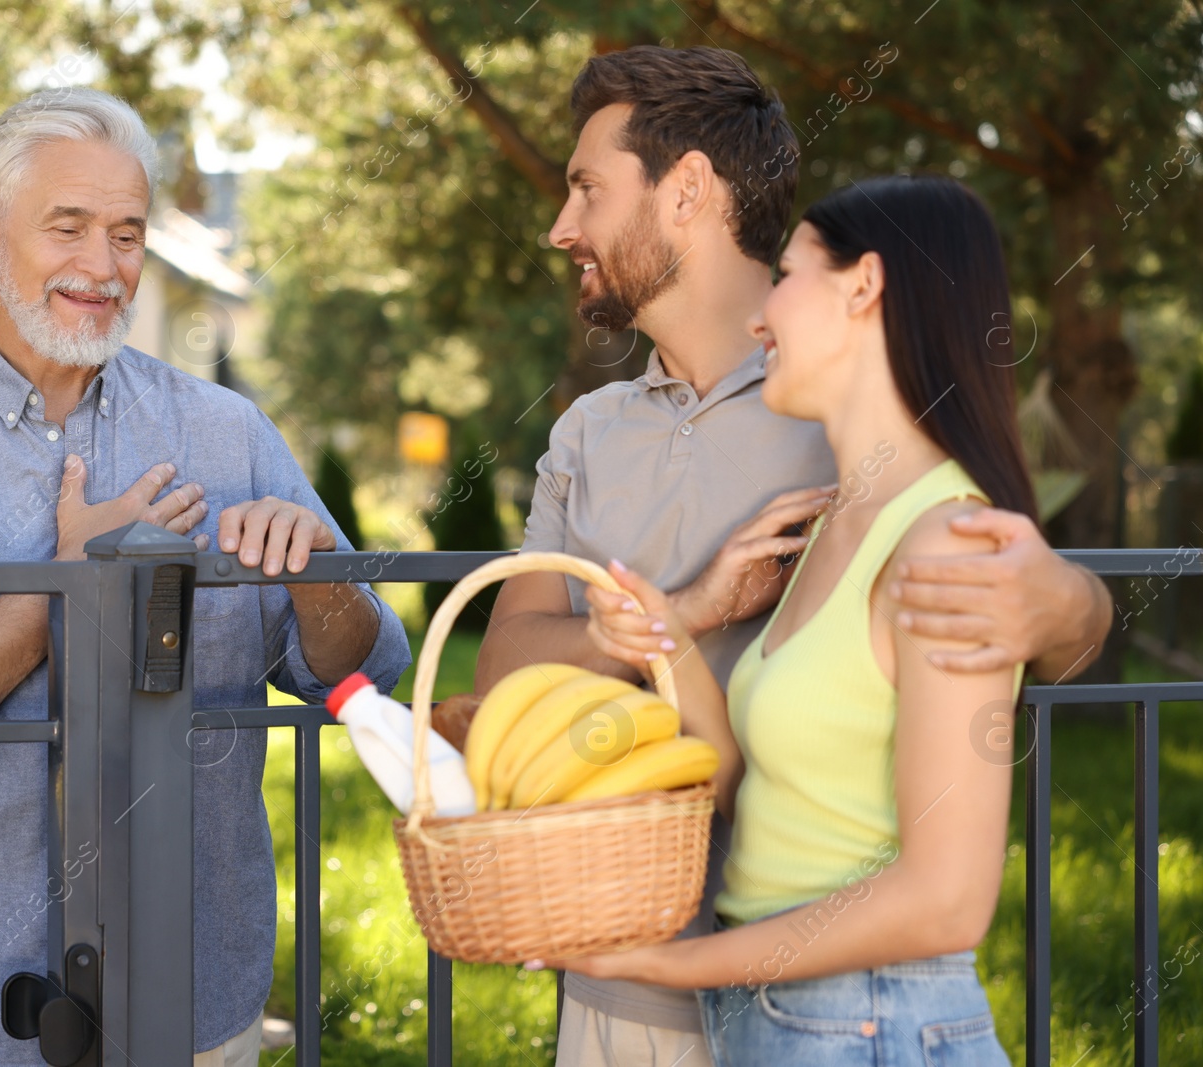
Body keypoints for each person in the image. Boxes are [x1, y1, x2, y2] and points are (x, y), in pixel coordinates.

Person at [467, 47, 1113, 1067]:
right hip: (649, 977)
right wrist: (680, 611)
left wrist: (1067, 599)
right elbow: (512, 678)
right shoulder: (598, 432)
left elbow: (1013, 592)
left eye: (586, 188)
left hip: (827, 994)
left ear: (684, 189)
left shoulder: (875, 436)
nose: (561, 227)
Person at [0, 87, 412, 1067]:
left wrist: (318, 572)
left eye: (127, 233)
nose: (103, 267)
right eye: (69, 227)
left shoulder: (229, 433)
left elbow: (362, 672)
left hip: (195, 999)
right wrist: (66, 587)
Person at [537, 173, 1026, 1067]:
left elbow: (947, 899)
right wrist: (674, 629)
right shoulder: (836, 518)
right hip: (789, 1022)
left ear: (864, 286)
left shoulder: (947, 542)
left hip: (869, 1021)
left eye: (790, 275)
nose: (762, 320)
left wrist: (675, 964)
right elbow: (747, 778)